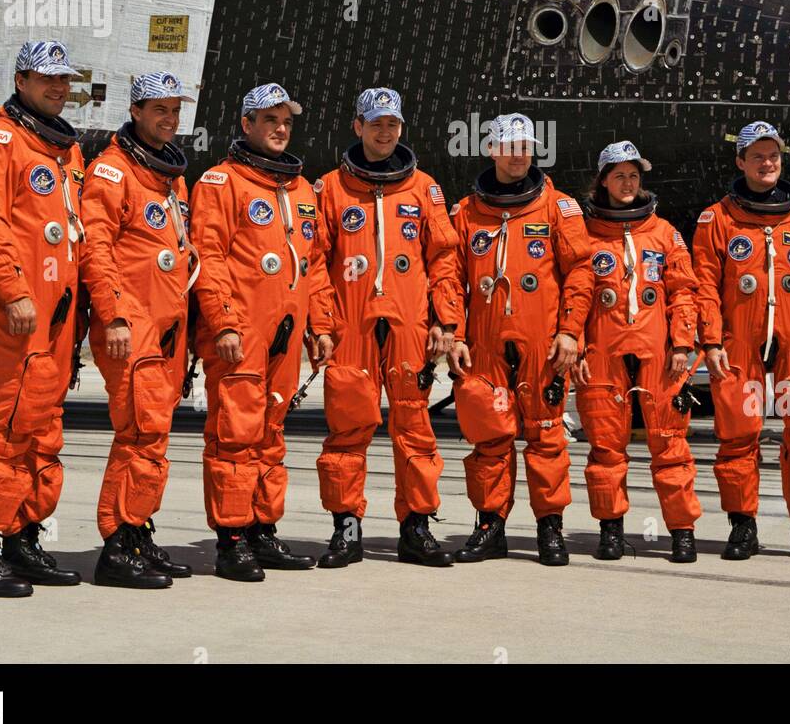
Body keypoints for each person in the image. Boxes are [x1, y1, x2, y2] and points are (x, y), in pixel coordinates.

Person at [0, 41, 88, 597]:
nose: (58, 88)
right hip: (16, 314)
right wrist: (13, 293)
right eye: (46, 79)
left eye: (64, 80)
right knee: (6, 428)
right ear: (22, 80)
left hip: (55, 317)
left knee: (42, 430)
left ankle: (24, 539)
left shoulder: (64, 150)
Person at [189, 83, 336, 580]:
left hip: (288, 333)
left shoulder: (300, 189)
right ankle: (231, 540)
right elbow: (208, 259)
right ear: (246, 124)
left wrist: (322, 326)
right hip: (241, 332)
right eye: (269, 120)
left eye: (286, 122)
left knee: (270, 434)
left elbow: (313, 266)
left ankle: (262, 529)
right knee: (234, 434)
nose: (279, 129)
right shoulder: (219, 183)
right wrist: (223, 322)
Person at [310, 88, 461, 568]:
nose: (384, 131)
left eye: (392, 123)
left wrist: (447, 320)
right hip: (350, 323)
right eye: (375, 123)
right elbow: (315, 263)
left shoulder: (425, 188)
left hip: (409, 321)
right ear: (357, 126)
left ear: (401, 128)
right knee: (348, 427)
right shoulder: (330, 187)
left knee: (414, 426)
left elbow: (443, 260)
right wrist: (322, 324)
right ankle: (346, 527)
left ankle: (416, 527)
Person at [692, 121, 790, 563]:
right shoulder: (717, 218)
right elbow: (703, 283)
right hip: (739, 341)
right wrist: (711, 340)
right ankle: (743, 526)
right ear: (740, 161)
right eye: (758, 156)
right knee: (740, 435)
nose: (767, 163)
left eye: (774, 155)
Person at [446, 113, 593, 566]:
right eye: (508, 146)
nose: (517, 155)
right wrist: (453, 332)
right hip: (485, 343)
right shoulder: (466, 212)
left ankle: (550, 529)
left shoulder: (558, 206)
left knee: (547, 437)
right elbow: (449, 276)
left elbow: (581, 272)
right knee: (489, 437)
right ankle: (490, 527)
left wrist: (570, 332)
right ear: (491, 150)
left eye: (524, 146)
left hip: (541, 341)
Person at [80, 72, 200, 588]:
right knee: (137, 433)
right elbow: (96, 250)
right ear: (135, 110)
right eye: (159, 109)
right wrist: (113, 316)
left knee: (154, 435)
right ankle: (115, 545)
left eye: (175, 109)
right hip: (132, 327)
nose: (169, 118)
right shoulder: (112, 172)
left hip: (166, 328)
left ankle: (138, 532)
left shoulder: (171, 178)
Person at [575, 141, 703, 563]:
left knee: (670, 445)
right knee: (605, 449)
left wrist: (683, 343)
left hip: (659, 354)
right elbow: (572, 295)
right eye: (619, 176)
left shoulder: (664, 233)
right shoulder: (586, 235)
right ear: (603, 182)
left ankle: (682, 531)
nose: (627, 184)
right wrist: (574, 345)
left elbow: (684, 291)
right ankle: (611, 531)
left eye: (633, 176)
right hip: (602, 352)